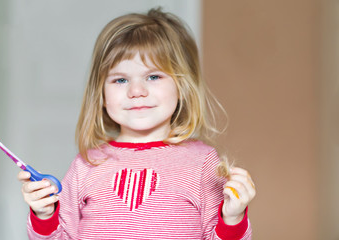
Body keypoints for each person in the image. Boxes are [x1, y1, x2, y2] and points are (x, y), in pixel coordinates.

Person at [18, 8, 256, 239]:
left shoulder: (203, 163)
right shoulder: (86, 165)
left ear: (182, 86)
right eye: (120, 80)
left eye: (153, 76)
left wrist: (232, 218)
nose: (136, 91)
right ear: (100, 95)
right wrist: (45, 215)